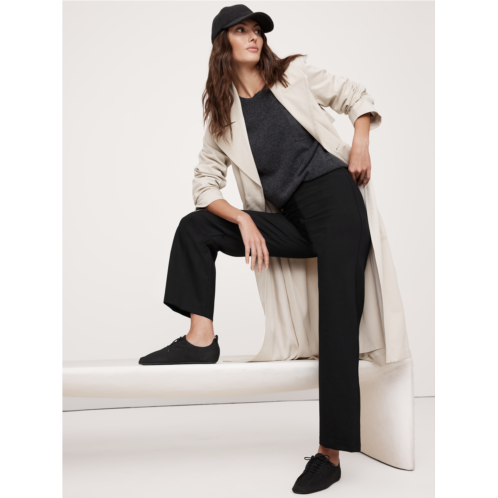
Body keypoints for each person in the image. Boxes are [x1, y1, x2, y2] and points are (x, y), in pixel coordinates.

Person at [139, 4, 381, 494]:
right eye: (241, 30)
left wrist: (360, 142)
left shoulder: (294, 74)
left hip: (335, 202)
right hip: (289, 218)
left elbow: (355, 95)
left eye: (258, 30)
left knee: (337, 321)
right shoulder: (222, 116)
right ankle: (200, 340)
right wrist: (244, 218)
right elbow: (204, 184)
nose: (254, 37)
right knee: (196, 227)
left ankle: (330, 455)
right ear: (223, 44)